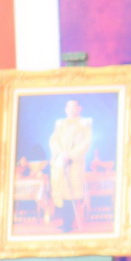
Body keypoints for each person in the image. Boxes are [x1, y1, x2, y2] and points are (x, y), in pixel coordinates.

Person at [48, 99, 93, 233]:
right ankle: (65, 222)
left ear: (79, 108)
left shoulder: (84, 124)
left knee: (71, 193)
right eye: (69, 107)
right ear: (65, 109)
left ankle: (69, 223)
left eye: (74, 107)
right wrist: (60, 153)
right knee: (61, 193)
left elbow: (86, 143)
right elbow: (53, 140)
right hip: (60, 161)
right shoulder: (60, 124)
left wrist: (70, 155)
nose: (71, 110)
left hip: (74, 163)